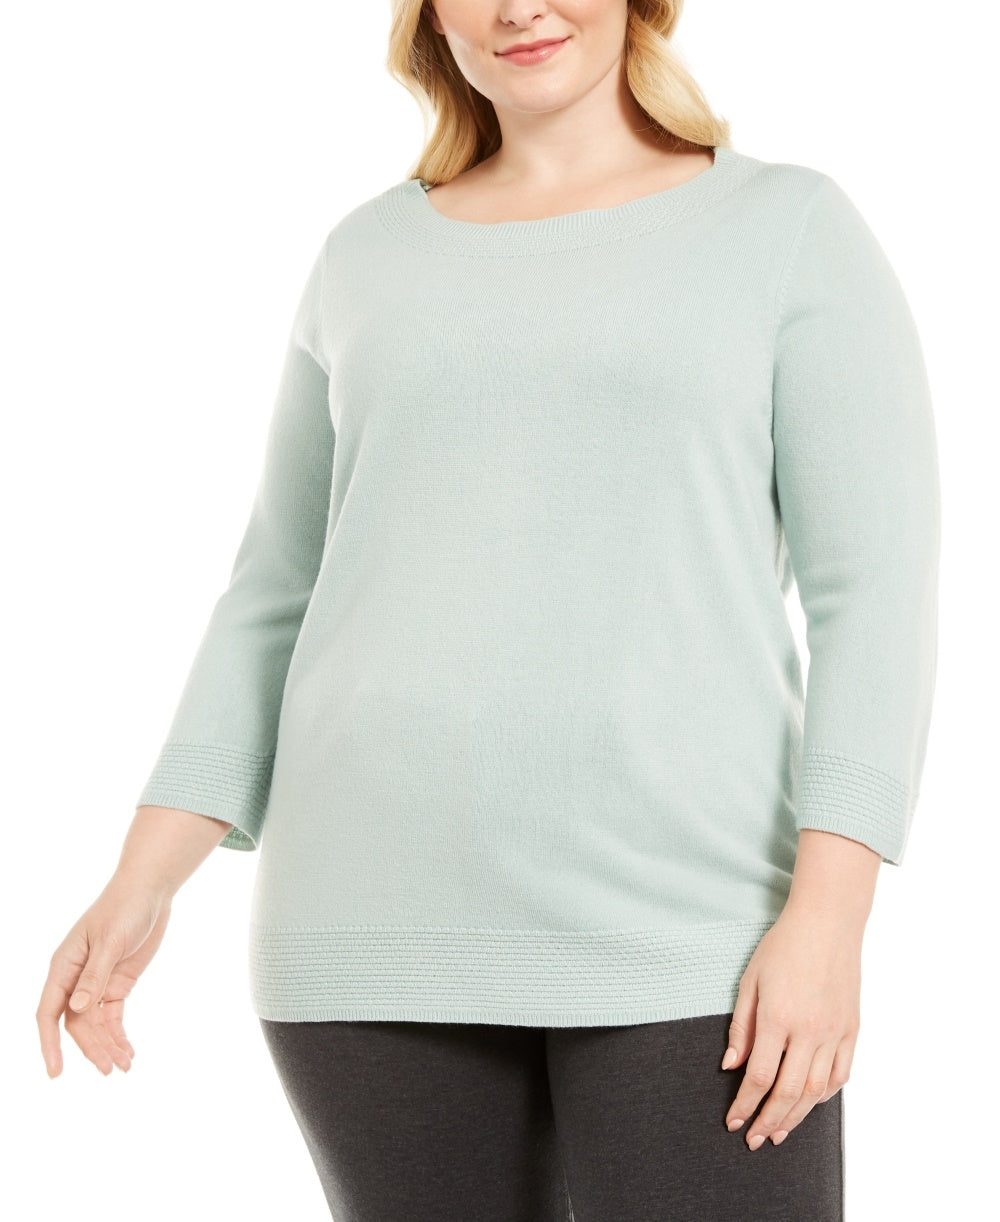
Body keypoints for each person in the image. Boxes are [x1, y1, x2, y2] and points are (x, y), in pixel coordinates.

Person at [36, 2, 941, 1219]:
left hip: (693, 933)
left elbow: (872, 592)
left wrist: (831, 916)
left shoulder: (787, 230)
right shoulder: (364, 258)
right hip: (366, 935)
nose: (518, 5)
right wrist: (142, 879)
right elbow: (275, 591)